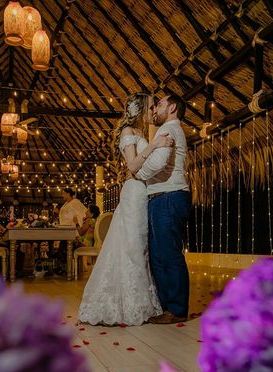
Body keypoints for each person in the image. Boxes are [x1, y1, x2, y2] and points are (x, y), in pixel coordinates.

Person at [78, 92, 173, 326]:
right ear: (140, 109)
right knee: (132, 247)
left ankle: (142, 301)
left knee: (140, 247)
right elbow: (132, 166)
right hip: (133, 192)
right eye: (151, 107)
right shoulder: (128, 133)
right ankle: (128, 304)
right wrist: (154, 146)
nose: (153, 111)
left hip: (143, 193)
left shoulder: (141, 133)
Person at [135, 94, 191, 324]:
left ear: (173, 107)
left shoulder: (168, 129)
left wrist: (138, 172)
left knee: (168, 254)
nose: (155, 108)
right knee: (158, 255)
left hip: (169, 196)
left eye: (159, 104)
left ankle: (176, 309)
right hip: (161, 198)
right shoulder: (166, 128)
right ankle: (167, 306)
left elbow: (157, 163)